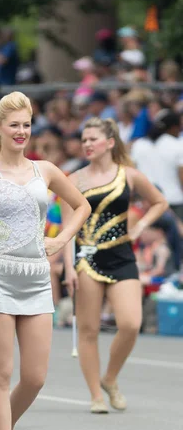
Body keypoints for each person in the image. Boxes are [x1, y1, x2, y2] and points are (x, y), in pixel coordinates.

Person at [0, 92, 91, 430]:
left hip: (36, 279)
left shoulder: (46, 171)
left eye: (27, 125)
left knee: (35, 376)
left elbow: (81, 206)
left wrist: (62, 238)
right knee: (1, 374)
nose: (21, 132)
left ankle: (4, 424)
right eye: (14, 125)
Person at [62, 117, 168, 414]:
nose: (87, 144)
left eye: (93, 139)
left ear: (109, 143)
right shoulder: (73, 180)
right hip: (87, 258)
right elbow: (69, 228)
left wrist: (139, 227)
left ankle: (110, 378)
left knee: (131, 324)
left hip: (121, 256)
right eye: (84, 140)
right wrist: (69, 267)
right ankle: (96, 394)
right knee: (88, 329)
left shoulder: (129, 175)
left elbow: (159, 202)